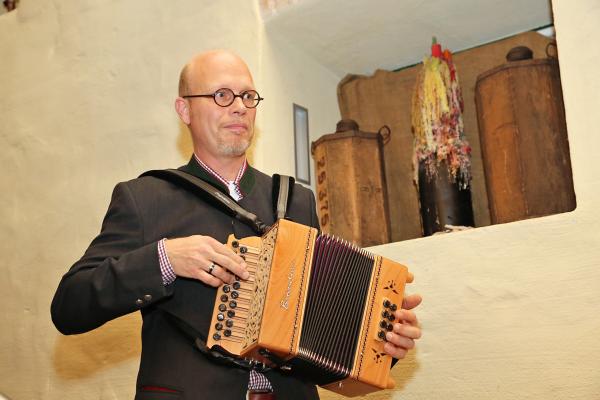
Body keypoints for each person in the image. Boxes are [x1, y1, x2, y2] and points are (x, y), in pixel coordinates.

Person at [51, 50, 422, 400]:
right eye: (222, 96)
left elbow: (316, 339)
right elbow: (69, 306)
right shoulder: (145, 198)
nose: (240, 107)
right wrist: (164, 258)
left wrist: (381, 343)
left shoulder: (295, 200)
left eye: (248, 96)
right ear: (185, 109)